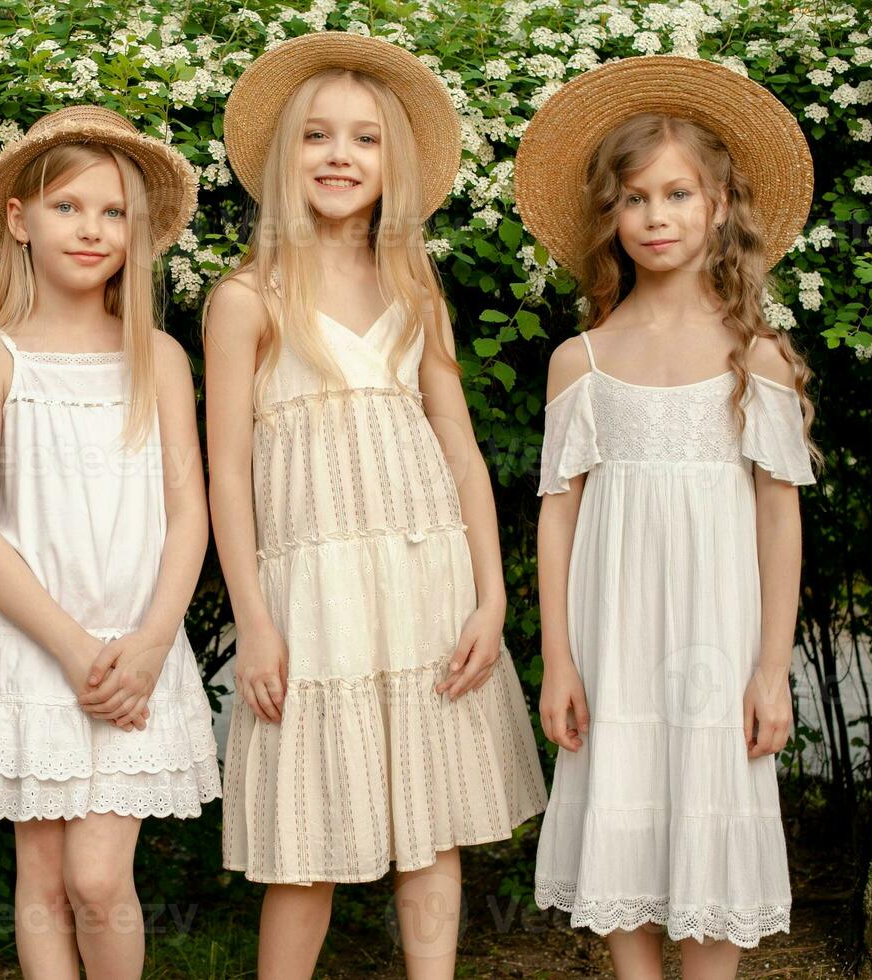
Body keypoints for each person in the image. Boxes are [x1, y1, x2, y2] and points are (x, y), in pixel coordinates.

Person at [207, 32, 548, 978]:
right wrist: (254, 619)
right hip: (311, 595)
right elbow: (226, 473)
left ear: (392, 161)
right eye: (317, 136)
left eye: (363, 139)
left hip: (423, 581)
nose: (340, 156)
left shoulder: (414, 286)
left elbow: (463, 452)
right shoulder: (248, 297)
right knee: (306, 843)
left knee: (432, 827)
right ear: (286, 159)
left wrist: (491, 596)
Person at [515, 56, 821, 978]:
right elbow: (557, 519)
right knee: (624, 810)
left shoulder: (753, 356)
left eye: (678, 194)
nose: (657, 216)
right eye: (636, 198)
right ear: (612, 216)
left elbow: (778, 520)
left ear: (721, 206)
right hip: (614, 644)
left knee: (709, 817)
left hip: (718, 647)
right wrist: (559, 660)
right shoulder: (583, 361)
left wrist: (772, 670)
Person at [0, 106, 221, 979]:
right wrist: (69, 648)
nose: (92, 229)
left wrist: (145, 647)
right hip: (36, 648)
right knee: (45, 877)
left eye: (112, 212)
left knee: (101, 880)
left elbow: (190, 516)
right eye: (68, 207)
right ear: (20, 222)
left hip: (138, 652)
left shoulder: (160, 359)